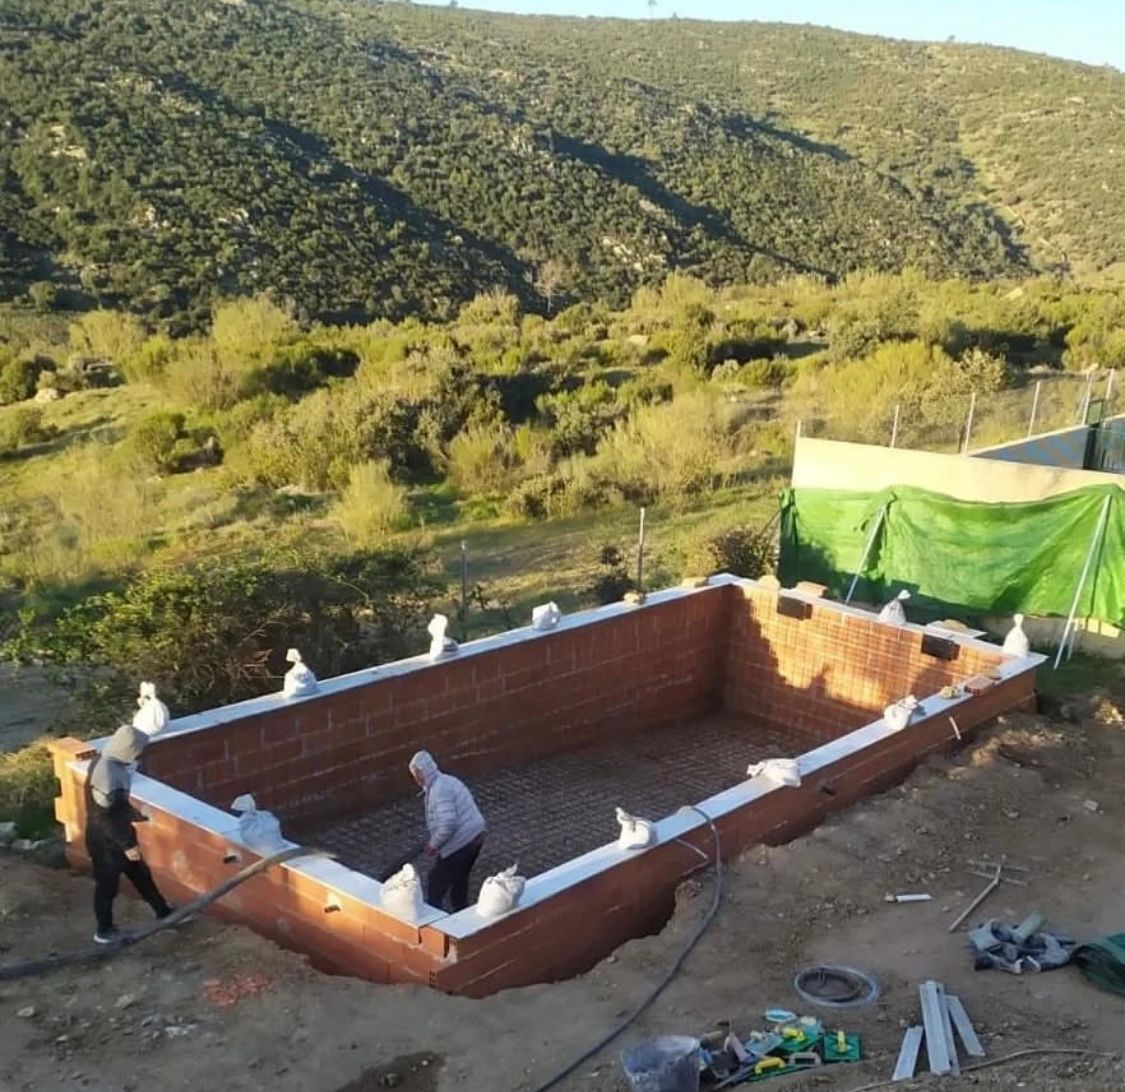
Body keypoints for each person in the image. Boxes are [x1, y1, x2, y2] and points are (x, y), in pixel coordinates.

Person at [85, 724, 174, 944]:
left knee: (142, 876)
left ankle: (164, 912)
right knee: (107, 885)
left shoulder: (112, 764)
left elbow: (118, 806)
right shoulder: (105, 773)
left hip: (118, 835)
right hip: (105, 842)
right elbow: (104, 816)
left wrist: (136, 816)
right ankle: (104, 931)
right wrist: (127, 845)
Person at [408, 750, 486, 912]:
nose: (416, 778)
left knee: (436, 881)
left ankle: (436, 918)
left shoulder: (439, 790)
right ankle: (461, 910)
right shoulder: (445, 781)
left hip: (463, 842)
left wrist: (433, 845)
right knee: (460, 877)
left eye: (417, 774)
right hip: (476, 837)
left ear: (424, 771)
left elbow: (449, 823)